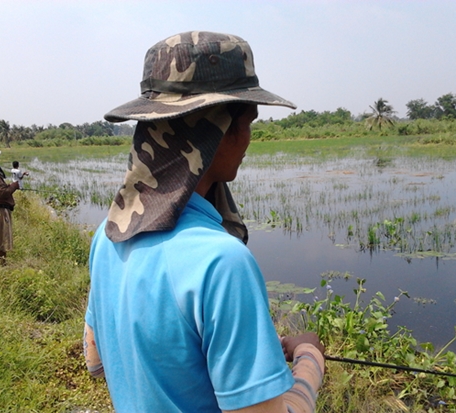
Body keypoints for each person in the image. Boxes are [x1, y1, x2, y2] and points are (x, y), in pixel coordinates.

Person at [84, 31, 326, 412]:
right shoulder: (221, 263)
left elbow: (96, 361)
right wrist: (310, 358)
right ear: (215, 131)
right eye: (246, 123)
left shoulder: (108, 233)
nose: (248, 139)